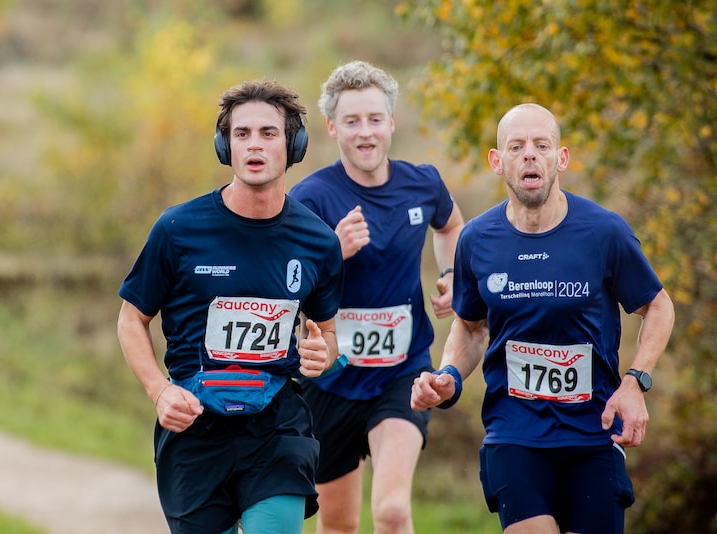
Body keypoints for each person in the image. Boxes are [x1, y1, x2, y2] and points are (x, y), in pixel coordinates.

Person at [411, 103, 675, 533]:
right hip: (514, 433)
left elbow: (659, 306)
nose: (529, 154)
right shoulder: (477, 239)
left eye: (541, 145)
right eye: (516, 146)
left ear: (561, 158)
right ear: (498, 162)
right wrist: (448, 377)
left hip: (594, 433)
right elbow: (472, 326)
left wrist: (635, 383)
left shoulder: (603, 232)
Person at [117, 78, 345, 534]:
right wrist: (159, 391)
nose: (254, 145)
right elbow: (131, 319)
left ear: (293, 144)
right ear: (225, 146)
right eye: (241, 134)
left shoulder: (319, 241)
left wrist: (325, 354)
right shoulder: (178, 229)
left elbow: (328, 334)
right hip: (195, 426)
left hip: (277, 427)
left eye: (268, 133)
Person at [289, 60, 465, 534]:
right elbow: (287, 291)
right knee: (339, 524)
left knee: (390, 510)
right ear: (332, 128)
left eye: (373, 119)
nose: (364, 133)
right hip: (329, 380)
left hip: (401, 372)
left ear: (390, 122)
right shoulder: (310, 199)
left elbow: (450, 226)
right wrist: (333, 254)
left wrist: (451, 273)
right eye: (351, 121)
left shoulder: (422, 183)